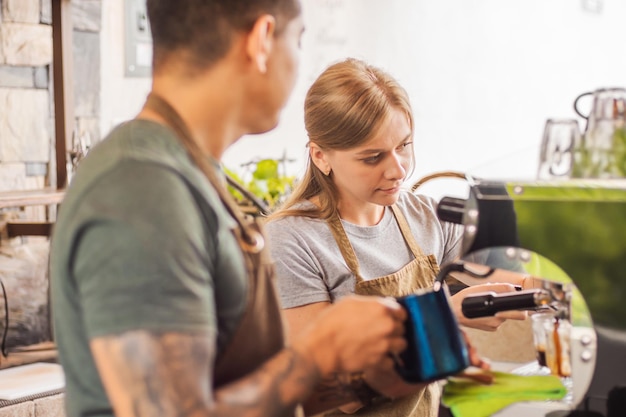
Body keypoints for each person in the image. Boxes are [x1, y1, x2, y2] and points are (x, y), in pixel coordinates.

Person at [47, 3, 429, 417]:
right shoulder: (143, 188)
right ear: (261, 40)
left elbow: (245, 387)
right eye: (298, 40)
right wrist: (318, 352)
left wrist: (379, 376)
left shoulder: (193, 176)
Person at [265, 58, 527, 416]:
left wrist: (553, 289)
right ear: (321, 156)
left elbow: (511, 281)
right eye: (373, 157)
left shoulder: (425, 215)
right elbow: (321, 392)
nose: (398, 169)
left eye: (403, 146)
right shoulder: (291, 241)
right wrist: (437, 320)